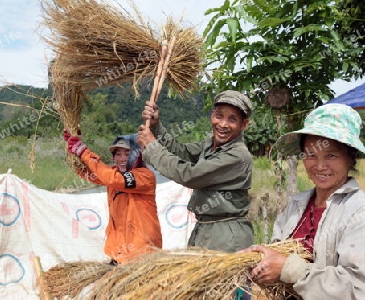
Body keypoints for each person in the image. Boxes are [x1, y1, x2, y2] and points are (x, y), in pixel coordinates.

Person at [242, 103, 365, 299]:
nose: (320, 166)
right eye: (311, 155)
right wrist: (258, 258)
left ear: (350, 157)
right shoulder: (297, 206)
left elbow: (359, 289)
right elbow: (277, 252)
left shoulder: (362, 215)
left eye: (331, 155)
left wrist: (289, 268)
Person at [137, 90, 254, 253]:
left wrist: (152, 147)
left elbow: (190, 175)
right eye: (219, 116)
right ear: (212, 115)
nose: (223, 124)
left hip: (227, 236)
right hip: (205, 229)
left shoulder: (238, 155)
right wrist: (156, 127)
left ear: (244, 124)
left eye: (232, 119)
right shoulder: (210, 144)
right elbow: (182, 153)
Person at [63, 131, 162, 264]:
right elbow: (86, 172)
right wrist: (72, 147)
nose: (122, 159)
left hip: (143, 252)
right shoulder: (112, 174)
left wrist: (84, 152)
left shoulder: (145, 176)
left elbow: (113, 179)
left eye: (127, 154)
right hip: (120, 252)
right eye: (118, 154)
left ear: (137, 156)